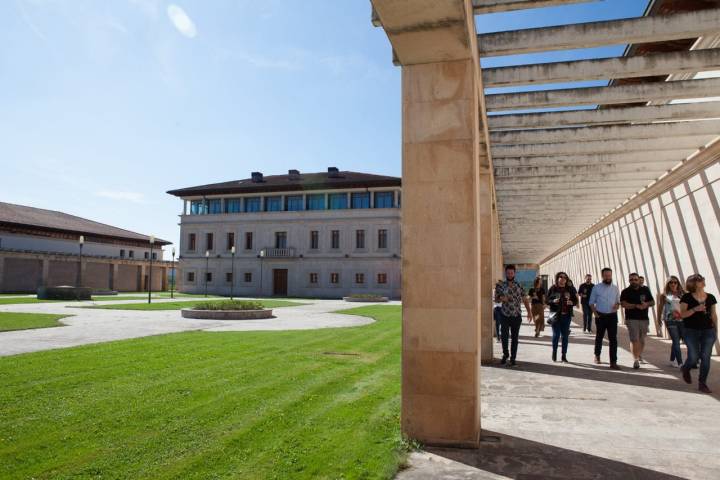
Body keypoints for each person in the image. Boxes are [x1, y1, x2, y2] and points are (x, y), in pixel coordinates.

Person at [679, 274, 717, 394]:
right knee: (694, 357)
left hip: (708, 331)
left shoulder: (710, 297)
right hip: (691, 331)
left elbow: (714, 315)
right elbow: (682, 314)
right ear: (693, 283)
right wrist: (695, 309)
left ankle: (702, 383)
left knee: (706, 357)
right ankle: (686, 368)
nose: (703, 281)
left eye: (702, 278)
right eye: (700, 279)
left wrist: (716, 329)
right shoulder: (686, 297)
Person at [495, 265, 532, 367]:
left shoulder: (519, 285)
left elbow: (524, 299)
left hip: (516, 315)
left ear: (514, 273)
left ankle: (513, 358)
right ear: (505, 273)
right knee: (504, 336)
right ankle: (505, 354)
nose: (510, 274)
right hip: (504, 315)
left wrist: (529, 312)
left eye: (512, 273)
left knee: (515, 338)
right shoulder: (500, 285)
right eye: (508, 273)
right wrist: (501, 298)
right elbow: (496, 299)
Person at [621, 273, 655, 369]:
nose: (634, 281)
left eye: (635, 279)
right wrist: (635, 306)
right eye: (631, 279)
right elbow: (623, 304)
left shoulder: (645, 290)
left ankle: (638, 354)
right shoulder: (625, 291)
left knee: (642, 340)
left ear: (639, 280)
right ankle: (635, 359)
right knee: (634, 339)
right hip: (631, 319)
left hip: (644, 318)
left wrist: (646, 304)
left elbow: (652, 302)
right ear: (629, 280)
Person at [589, 267, 621, 369]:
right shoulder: (596, 288)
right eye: (606, 275)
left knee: (613, 339)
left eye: (609, 275)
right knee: (599, 337)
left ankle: (613, 362)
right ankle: (597, 355)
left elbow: (618, 301)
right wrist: (596, 314)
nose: (608, 277)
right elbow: (591, 303)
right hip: (600, 316)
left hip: (612, 316)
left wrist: (617, 305)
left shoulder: (615, 288)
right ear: (602, 276)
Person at [547, 272, 578, 362]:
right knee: (556, 335)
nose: (563, 278)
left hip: (566, 316)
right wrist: (553, 301)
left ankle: (564, 355)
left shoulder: (570, 289)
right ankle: (554, 352)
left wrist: (572, 302)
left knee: (565, 336)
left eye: (565, 277)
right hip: (555, 315)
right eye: (561, 277)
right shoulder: (553, 288)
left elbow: (575, 300)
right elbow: (546, 300)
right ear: (557, 278)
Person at [657, 276, 685, 367]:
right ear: (668, 284)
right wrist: (658, 319)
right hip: (670, 320)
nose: (673, 284)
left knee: (676, 340)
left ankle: (672, 360)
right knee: (676, 341)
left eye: (675, 282)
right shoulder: (664, 295)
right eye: (671, 282)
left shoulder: (683, 294)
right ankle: (680, 363)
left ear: (678, 283)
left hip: (682, 320)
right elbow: (660, 307)